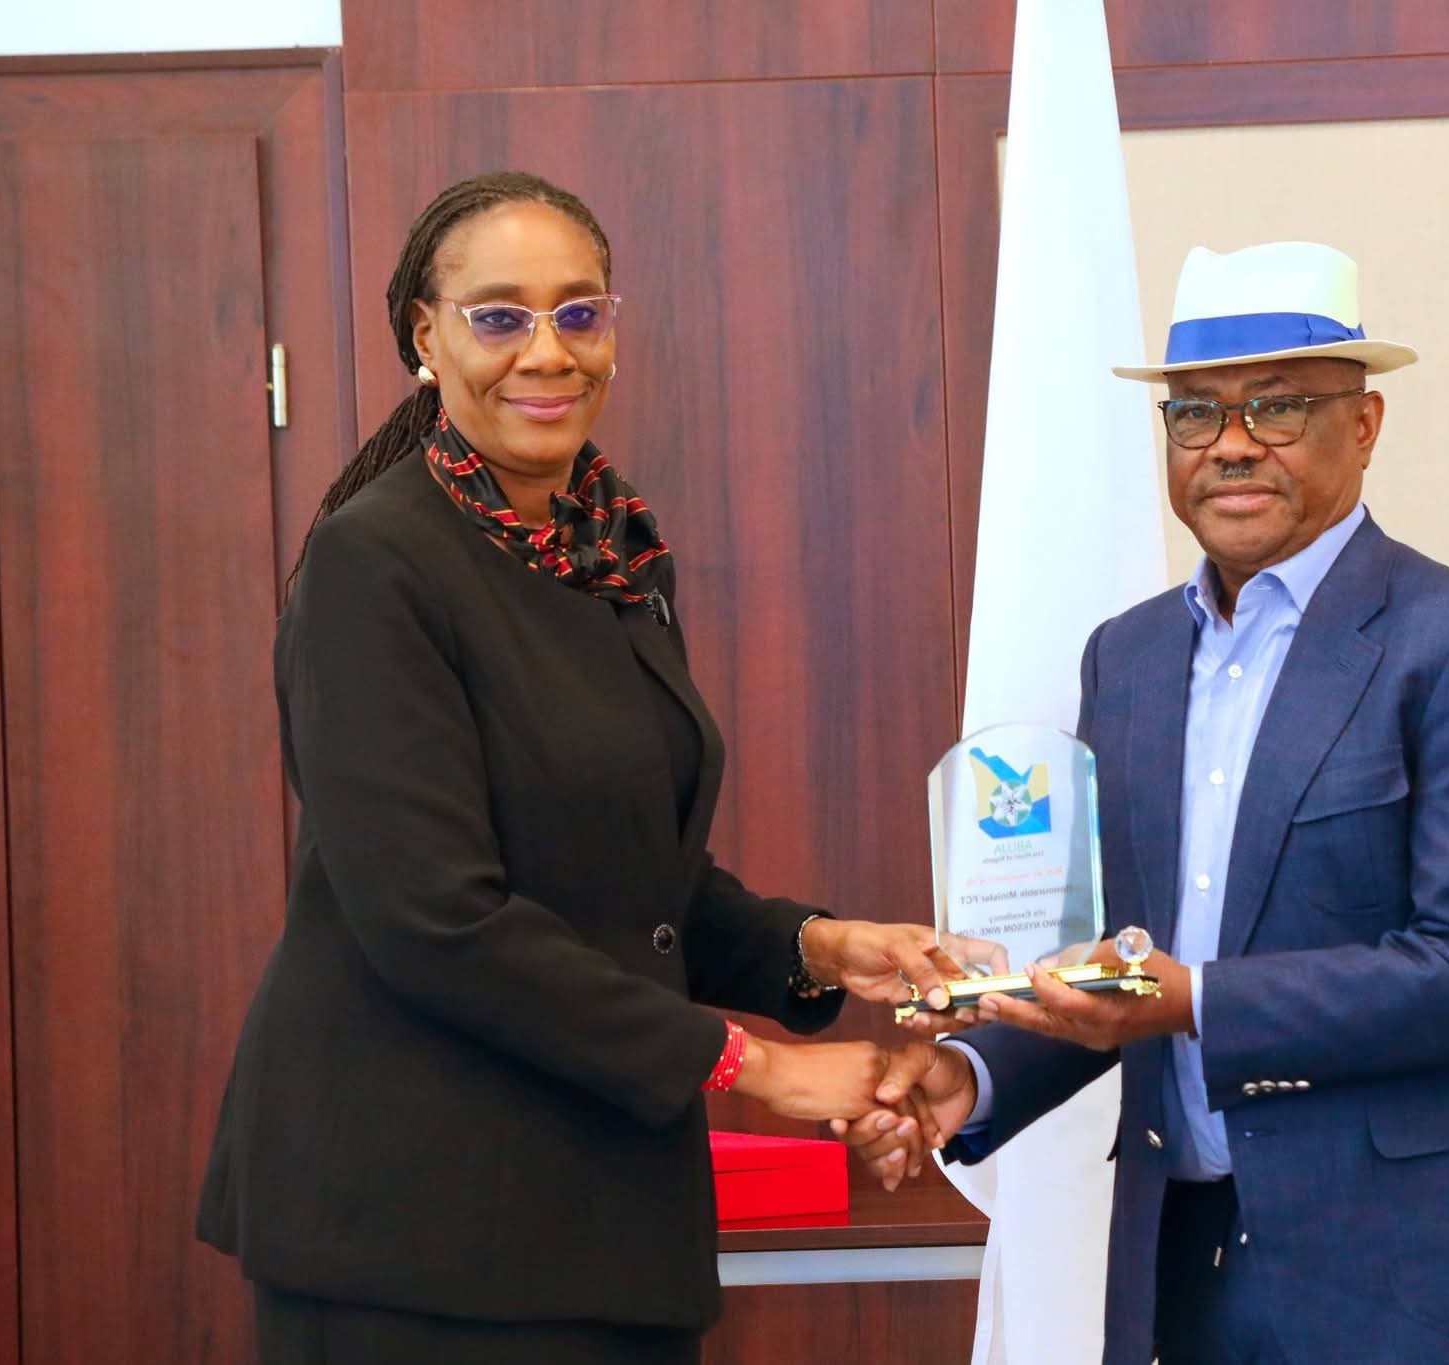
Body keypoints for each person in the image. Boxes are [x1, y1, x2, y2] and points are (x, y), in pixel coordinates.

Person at [196, 170, 954, 1365]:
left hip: (597, 1208)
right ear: (425, 336)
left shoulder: (609, 551)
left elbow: (632, 879)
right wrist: (757, 1066)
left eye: (578, 312)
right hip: (417, 1228)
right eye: (499, 315)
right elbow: (433, 917)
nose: (546, 351)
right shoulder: (374, 563)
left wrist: (821, 947)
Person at [844, 241, 1449, 1364]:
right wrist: (974, 1075)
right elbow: (1119, 966)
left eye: (1279, 405)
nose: (1233, 443)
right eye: (1196, 413)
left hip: (1417, 1292)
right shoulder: (1128, 658)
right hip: (1190, 1278)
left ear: (1365, 425)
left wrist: (1191, 999)